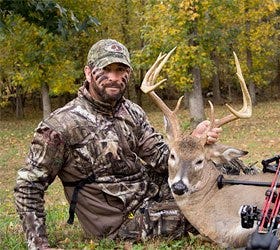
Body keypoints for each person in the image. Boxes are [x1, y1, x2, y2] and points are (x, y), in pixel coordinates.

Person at [14, 39, 222, 250]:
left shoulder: (132, 112)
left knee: (221, 177)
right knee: (210, 210)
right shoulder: (61, 126)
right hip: (118, 220)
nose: (114, 77)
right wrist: (38, 245)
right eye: (106, 69)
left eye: (121, 70)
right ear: (88, 72)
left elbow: (162, 158)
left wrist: (192, 142)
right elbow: (28, 186)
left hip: (149, 194)